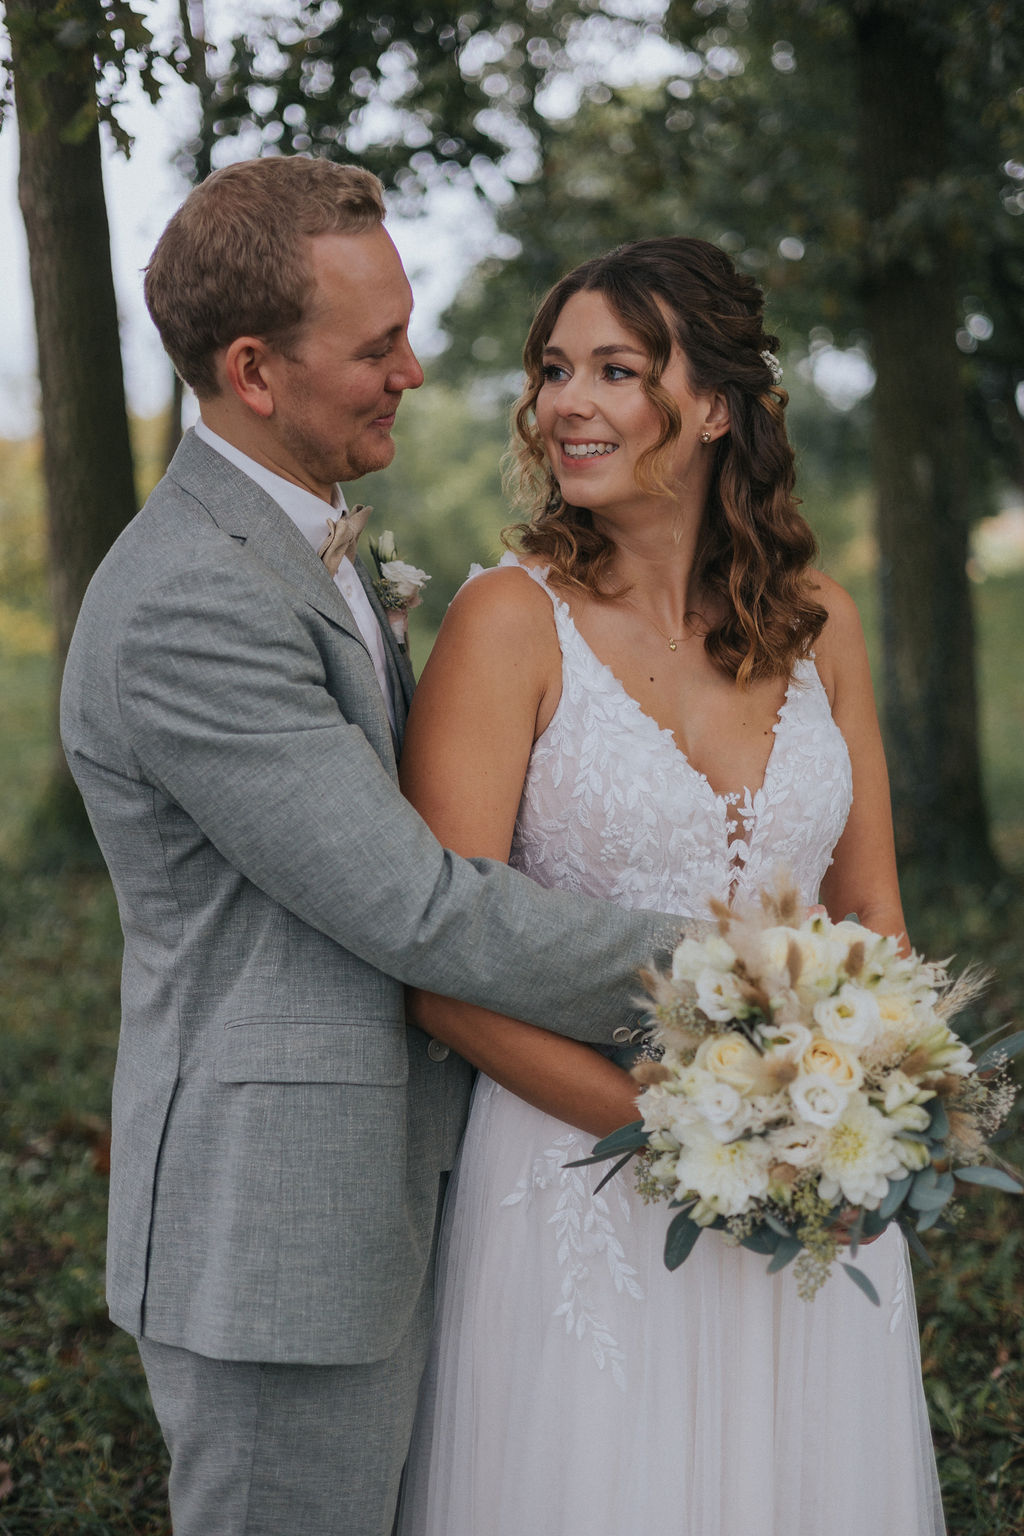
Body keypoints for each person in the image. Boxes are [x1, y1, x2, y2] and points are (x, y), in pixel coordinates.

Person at [58, 158, 681, 1536]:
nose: (414, 369)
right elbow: (418, 909)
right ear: (253, 371)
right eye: (376, 345)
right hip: (277, 1233)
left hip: (386, 1199)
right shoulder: (189, 600)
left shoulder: (303, 544)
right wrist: (726, 973)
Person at [394, 237, 946, 1534]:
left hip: (807, 1186)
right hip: (579, 1184)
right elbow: (443, 976)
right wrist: (690, 1140)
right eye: (553, 371)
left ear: (713, 408)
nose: (565, 404)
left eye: (615, 370)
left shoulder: (820, 623)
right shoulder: (506, 623)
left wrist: (856, 1127)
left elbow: (873, 922)